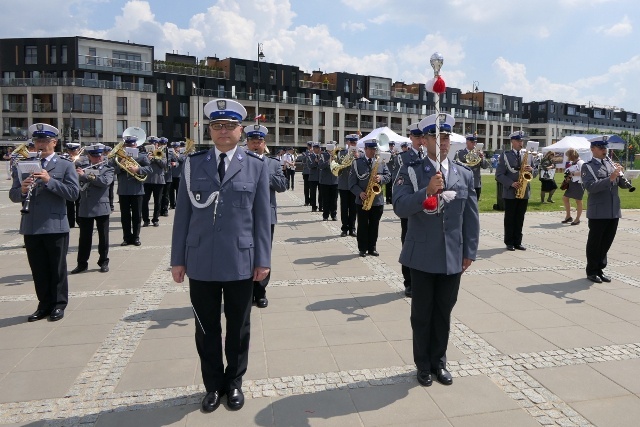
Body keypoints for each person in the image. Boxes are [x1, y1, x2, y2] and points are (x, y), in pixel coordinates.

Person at [171, 99, 271, 414]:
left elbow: (261, 218)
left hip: (242, 261)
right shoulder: (192, 164)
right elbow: (182, 216)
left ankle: (234, 383)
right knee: (206, 328)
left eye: (229, 126)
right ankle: (213, 385)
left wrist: (263, 260)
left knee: (239, 328)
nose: (223, 131)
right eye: (217, 126)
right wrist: (178, 259)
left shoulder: (256, 165)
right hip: (200, 261)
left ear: (241, 130)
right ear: (210, 130)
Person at [392, 113, 479, 387]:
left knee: (443, 312)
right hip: (422, 256)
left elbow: (471, 216)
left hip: (453, 256)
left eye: (445, 137)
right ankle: (423, 365)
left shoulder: (463, 173)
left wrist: (470, 251)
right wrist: (427, 192)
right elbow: (400, 206)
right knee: (421, 314)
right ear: (425, 140)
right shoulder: (411, 170)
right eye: (436, 137)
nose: (442, 142)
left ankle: (439, 362)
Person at [9, 123, 80, 322]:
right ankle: (44, 304)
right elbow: (13, 195)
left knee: (57, 268)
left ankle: (58, 304)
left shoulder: (65, 165)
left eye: (44, 141)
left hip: (55, 224)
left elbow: (74, 194)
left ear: (54, 143)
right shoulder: (23, 164)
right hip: (31, 224)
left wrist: (50, 180)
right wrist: (22, 190)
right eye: (37, 141)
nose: (40, 145)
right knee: (38, 269)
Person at [245, 124, 286, 308]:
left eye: (259, 141)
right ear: (247, 143)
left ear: (264, 143)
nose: (256, 144)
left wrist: (263, 172)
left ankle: (260, 292)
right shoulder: (240, 161)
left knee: (263, 255)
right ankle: (245, 292)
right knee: (244, 255)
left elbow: (282, 186)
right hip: (243, 216)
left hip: (266, 217)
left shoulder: (273, 163)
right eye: (253, 141)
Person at [582, 135, 626, 283]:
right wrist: (611, 178)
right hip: (598, 211)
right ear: (592, 149)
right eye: (601, 148)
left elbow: (621, 184)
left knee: (607, 241)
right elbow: (591, 187)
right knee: (595, 242)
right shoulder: (587, 166)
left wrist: (626, 176)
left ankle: (600, 269)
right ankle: (592, 270)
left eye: (605, 147)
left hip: (613, 210)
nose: (604, 150)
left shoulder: (610, 164)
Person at [392, 123, 425, 297]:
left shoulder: (428, 155)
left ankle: (421, 278)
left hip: (426, 207)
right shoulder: (402, 158)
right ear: (410, 138)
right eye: (417, 137)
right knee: (408, 243)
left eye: (422, 137)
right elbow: (398, 183)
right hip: (411, 205)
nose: (420, 140)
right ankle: (409, 282)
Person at [70, 143, 114, 274]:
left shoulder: (108, 168)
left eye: (99, 155)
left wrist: (86, 176)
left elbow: (105, 182)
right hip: (86, 206)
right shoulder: (82, 167)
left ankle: (104, 261)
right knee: (84, 238)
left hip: (102, 206)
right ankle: (82, 263)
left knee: (103, 237)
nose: (98, 158)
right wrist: (77, 174)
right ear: (89, 156)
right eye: (94, 156)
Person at [348, 139, 391, 257]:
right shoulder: (357, 163)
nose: (373, 151)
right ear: (365, 149)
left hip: (377, 200)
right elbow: (351, 183)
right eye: (371, 149)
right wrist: (360, 193)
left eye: (374, 149)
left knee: (374, 225)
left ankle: (372, 247)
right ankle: (362, 248)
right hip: (362, 199)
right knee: (362, 225)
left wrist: (380, 178)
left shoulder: (381, 161)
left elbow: (388, 176)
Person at [495, 130, 536, 251]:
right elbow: (499, 175)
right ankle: (509, 242)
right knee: (510, 218)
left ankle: (518, 241)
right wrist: (511, 183)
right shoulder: (505, 155)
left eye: (522, 141)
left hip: (524, 191)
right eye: (518, 141)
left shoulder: (528, 156)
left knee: (520, 218)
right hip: (510, 192)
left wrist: (531, 170)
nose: (521, 143)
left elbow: (536, 171)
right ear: (512, 142)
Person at [113, 133, 152, 246]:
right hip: (123, 190)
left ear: (136, 145)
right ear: (124, 146)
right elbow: (111, 170)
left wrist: (137, 169)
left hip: (137, 189)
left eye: (132, 145)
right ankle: (126, 237)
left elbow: (149, 169)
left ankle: (136, 237)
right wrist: (120, 167)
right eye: (127, 145)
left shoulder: (141, 156)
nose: (130, 146)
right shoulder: (118, 157)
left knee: (136, 215)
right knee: (125, 216)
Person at [454, 134, 489, 200]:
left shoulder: (478, 153)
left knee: (475, 205)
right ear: (467, 142)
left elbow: (485, 166)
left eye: (475, 142)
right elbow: (458, 164)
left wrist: (482, 158)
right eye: (472, 142)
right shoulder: (460, 153)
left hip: (476, 183)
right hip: (464, 182)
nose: (474, 144)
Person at [337, 135, 359, 237]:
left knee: (354, 207)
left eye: (355, 143)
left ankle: (352, 228)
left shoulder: (360, 153)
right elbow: (339, 167)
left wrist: (357, 158)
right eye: (352, 142)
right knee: (344, 207)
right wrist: (348, 157)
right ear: (347, 143)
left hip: (354, 185)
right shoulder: (341, 153)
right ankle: (344, 228)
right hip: (344, 184)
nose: (353, 144)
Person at [142, 136, 166, 227]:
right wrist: (148, 158)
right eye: (150, 144)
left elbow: (164, 165)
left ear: (157, 145)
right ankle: (145, 220)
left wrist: (156, 157)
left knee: (158, 201)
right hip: (147, 180)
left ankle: (155, 219)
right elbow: (142, 165)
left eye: (155, 144)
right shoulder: (144, 154)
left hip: (158, 180)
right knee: (145, 201)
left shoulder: (161, 153)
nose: (153, 145)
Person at [562, 148, 585, 225]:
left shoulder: (580, 162)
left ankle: (577, 219)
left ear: (571, 156)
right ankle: (568, 216)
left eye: (568, 156)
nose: (567, 158)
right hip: (573, 182)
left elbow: (583, 173)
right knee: (565, 198)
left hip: (579, 183)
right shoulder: (574, 162)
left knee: (578, 201)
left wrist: (572, 174)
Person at [63, 142, 82, 228]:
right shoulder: (64, 158)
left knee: (79, 204)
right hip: (68, 184)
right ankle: (70, 222)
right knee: (69, 204)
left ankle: (79, 220)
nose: (71, 153)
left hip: (79, 184)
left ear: (78, 150)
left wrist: (76, 163)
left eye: (73, 151)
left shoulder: (82, 159)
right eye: (69, 150)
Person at [318, 142, 339, 221]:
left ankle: (334, 214)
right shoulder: (323, 155)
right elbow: (320, 166)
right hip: (325, 181)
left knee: (334, 199)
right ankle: (325, 215)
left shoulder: (337, 156)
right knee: (325, 199)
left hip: (334, 180)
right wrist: (329, 161)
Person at [160, 138, 175, 216]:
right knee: (159, 195)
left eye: (164, 144)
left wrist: (174, 164)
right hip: (160, 175)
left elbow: (175, 161)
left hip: (168, 175)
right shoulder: (157, 151)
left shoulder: (170, 152)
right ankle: (159, 210)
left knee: (166, 194)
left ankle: (165, 209)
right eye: (161, 144)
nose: (163, 145)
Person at [169, 141, 185, 209]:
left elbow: (183, 160)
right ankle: (172, 204)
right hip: (171, 175)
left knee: (179, 191)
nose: (175, 148)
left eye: (177, 147)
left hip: (179, 175)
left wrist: (177, 155)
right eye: (174, 147)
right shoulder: (170, 154)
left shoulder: (182, 154)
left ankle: (178, 204)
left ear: (179, 147)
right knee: (171, 191)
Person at [308, 142, 320, 212]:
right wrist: (315, 162)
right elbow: (310, 165)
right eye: (316, 148)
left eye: (318, 148)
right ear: (314, 149)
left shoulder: (321, 156)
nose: (318, 150)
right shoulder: (310, 156)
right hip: (313, 178)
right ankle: (313, 206)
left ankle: (321, 206)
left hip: (321, 177)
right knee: (313, 193)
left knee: (321, 193)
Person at [302, 141, 312, 206]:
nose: (311, 147)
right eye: (310, 146)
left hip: (312, 173)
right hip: (306, 172)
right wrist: (309, 154)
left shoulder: (315, 153)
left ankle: (312, 201)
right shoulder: (304, 153)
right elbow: (304, 161)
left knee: (312, 188)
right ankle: (306, 201)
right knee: (306, 188)